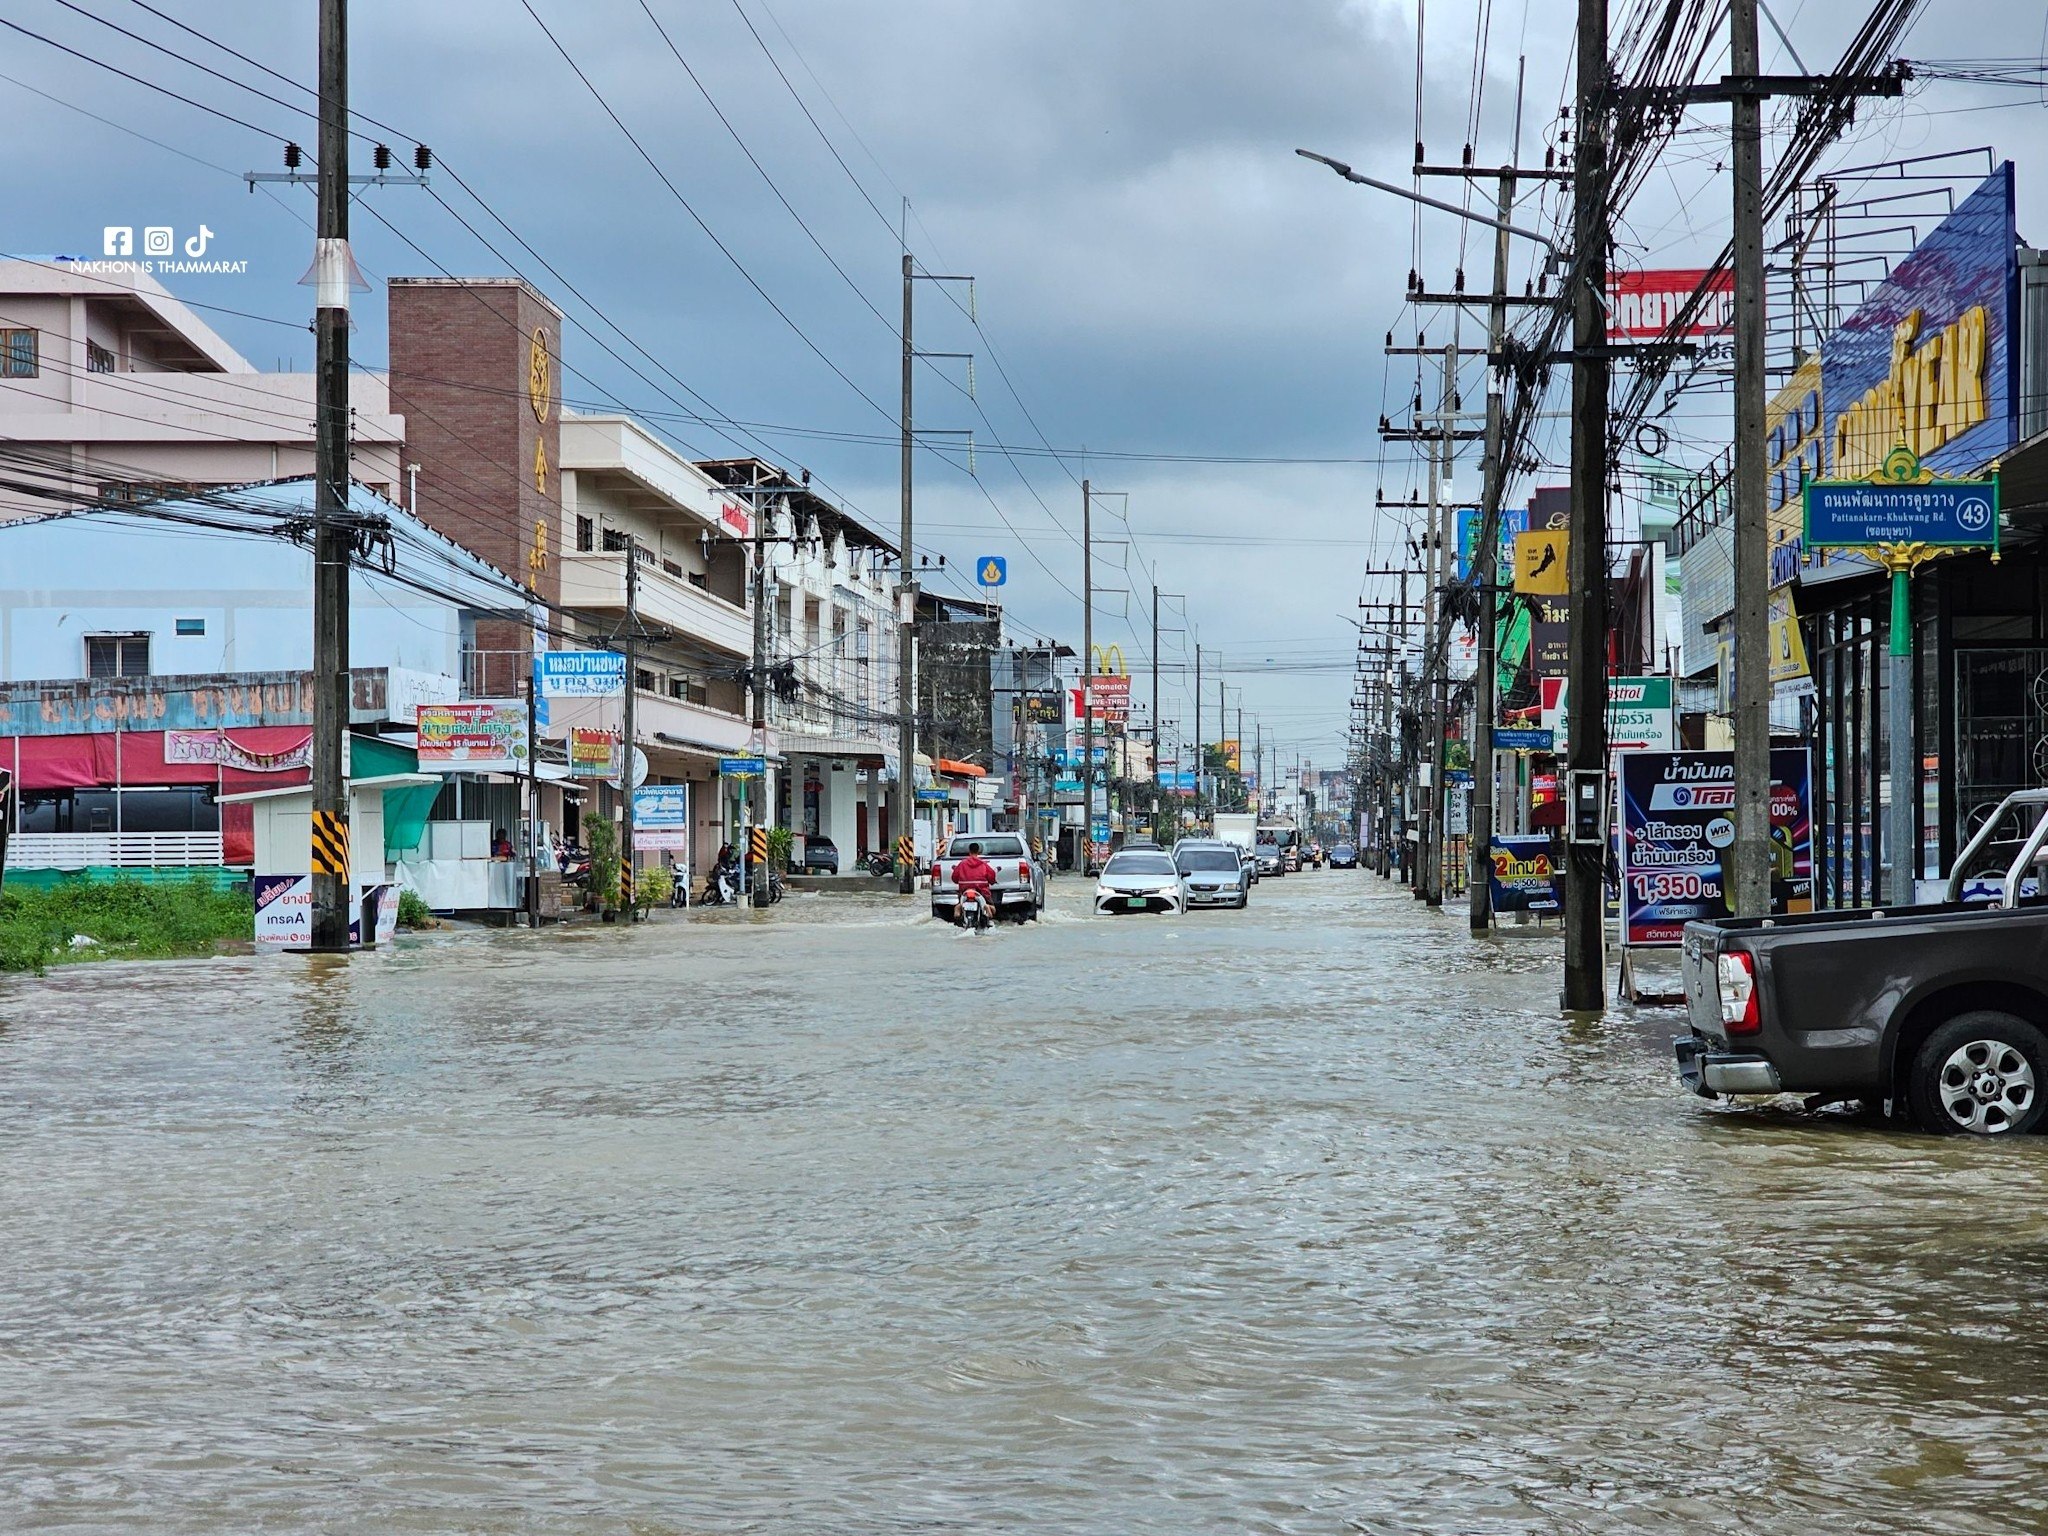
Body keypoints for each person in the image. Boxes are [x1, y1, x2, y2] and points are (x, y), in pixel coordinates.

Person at [951, 840, 997, 918]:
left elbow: (954, 878)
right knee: (993, 908)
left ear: (969, 851)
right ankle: (987, 906)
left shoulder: (962, 864)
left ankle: (959, 907)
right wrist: (992, 881)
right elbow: (992, 876)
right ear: (978, 851)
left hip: (965, 891)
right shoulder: (983, 864)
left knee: (958, 905)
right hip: (981, 891)